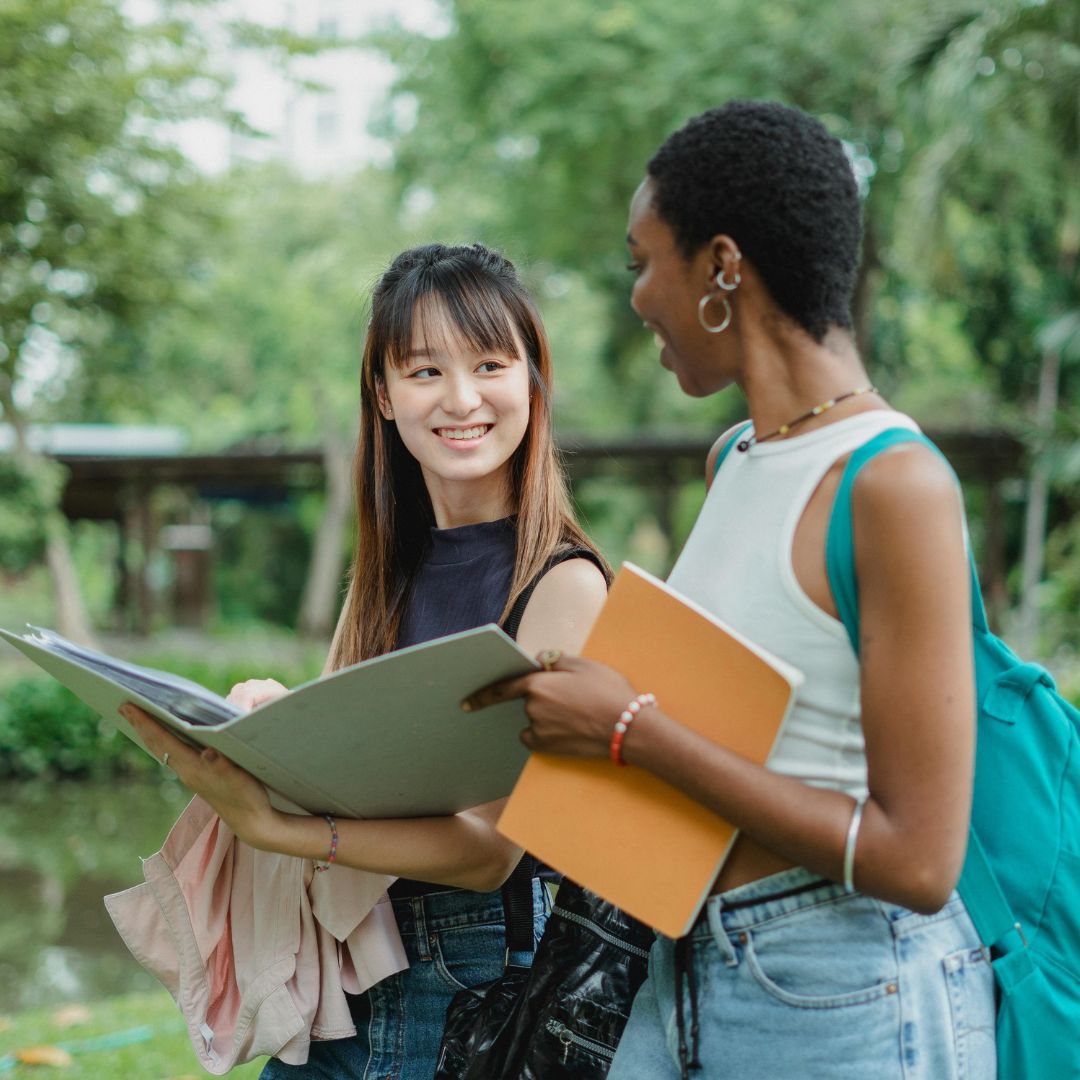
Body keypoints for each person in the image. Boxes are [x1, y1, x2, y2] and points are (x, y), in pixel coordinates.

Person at [465, 101, 997, 1079]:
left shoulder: (892, 484)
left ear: (720, 267)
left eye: (641, 260)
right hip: (684, 959)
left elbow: (919, 863)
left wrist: (631, 730)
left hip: (843, 988)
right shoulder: (738, 458)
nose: (634, 297)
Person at [124, 242, 610, 1079]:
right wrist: (274, 722)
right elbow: (354, 770)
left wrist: (282, 829)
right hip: (345, 959)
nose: (461, 398)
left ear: (533, 378)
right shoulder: (387, 572)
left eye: (490, 362)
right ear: (383, 396)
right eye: (425, 371)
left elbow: (492, 848)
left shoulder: (564, 583)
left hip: (467, 977)